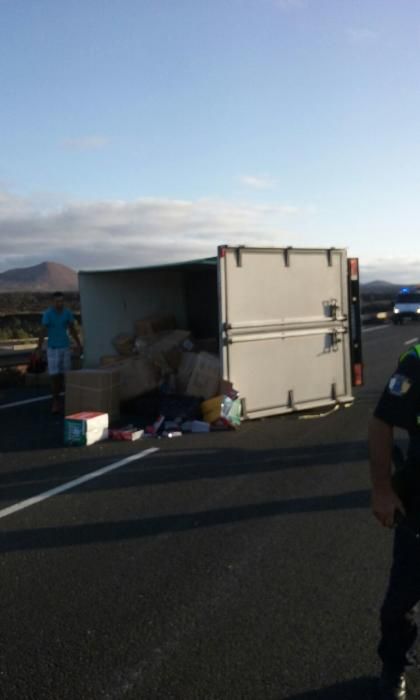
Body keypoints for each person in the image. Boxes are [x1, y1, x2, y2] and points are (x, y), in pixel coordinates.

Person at [369, 343, 420, 699]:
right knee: (400, 601)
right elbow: (382, 420)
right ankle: (394, 665)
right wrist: (383, 488)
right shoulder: (417, 360)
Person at [36, 291, 82, 413]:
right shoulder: (48, 314)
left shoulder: (67, 313)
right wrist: (39, 348)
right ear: (53, 302)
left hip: (65, 348)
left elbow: (72, 329)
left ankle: (67, 400)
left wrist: (78, 344)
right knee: (54, 376)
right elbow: (43, 331)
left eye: (61, 301)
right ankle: (55, 402)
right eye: (57, 301)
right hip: (53, 349)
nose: (59, 303)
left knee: (65, 375)